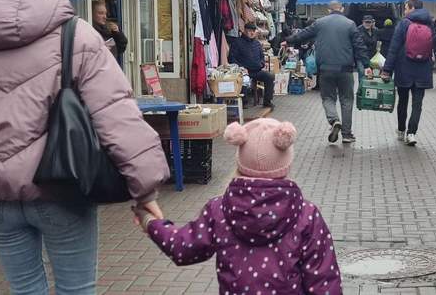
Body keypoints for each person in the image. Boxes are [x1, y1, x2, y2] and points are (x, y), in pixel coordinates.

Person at [0, 0, 168, 294]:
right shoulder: (76, 35)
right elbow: (114, 113)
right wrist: (145, 190)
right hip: (61, 189)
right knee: (76, 289)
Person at [134, 118, 342, 295]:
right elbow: (324, 281)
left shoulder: (219, 210)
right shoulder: (306, 215)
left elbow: (182, 247)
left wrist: (150, 222)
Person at [282, 0, 369, 144]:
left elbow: (303, 34)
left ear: (328, 10)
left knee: (328, 98)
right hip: (345, 69)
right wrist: (366, 64)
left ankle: (334, 119)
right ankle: (347, 134)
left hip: (325, 69)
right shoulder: (350, 24)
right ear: (341, 9)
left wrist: (288, 41)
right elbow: (359, 46)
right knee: (346, 100)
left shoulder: (320, 23)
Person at [382, 0, 436, 146]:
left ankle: (401, 130)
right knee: (417, 104)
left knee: (403, 101)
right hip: (423, 69)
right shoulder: (429, 23)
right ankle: (412, 133)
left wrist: (387, 70)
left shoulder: (404, 24)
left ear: (412, 8)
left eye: (406, 8)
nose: (405, 11)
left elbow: (394, 48)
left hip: (404, 68)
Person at [230, 23, 275, 109]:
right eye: (249, 31)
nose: (251, 33)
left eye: (253, 31)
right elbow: (232, 59)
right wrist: (241, 68)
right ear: (245, 30)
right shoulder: (237, 42)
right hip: (244, 71)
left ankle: (267, 101)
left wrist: (261, 64)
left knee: (269, 76)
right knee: (243, 78)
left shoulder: (257, 43)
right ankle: (244, 102)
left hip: (257, 70)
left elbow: (262, 57)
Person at [92, 0, 128, 65]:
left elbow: (121, 47)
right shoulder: (90, 31)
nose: (105, 17)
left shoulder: (107, 29)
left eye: (105, 13)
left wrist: (117, 33)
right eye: (100, 13)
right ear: (92, 14)